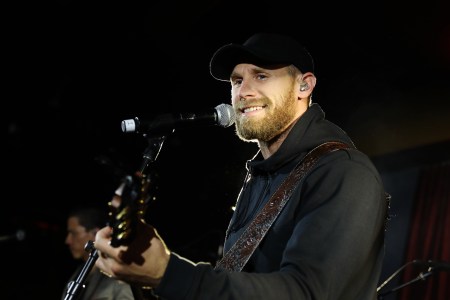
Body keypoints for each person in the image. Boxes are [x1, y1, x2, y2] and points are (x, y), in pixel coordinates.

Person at [93, 32, 390, 299]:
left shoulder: (344, 172)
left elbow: (307, 292)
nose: (243, 92)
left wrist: (170, 274)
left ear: (304, 85)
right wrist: (143, 272)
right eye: (237, 80)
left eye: (260, 76)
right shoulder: (259, 177)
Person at [61, 205, 135, 300]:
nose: (68, 240)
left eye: (74, 233)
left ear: (95, 233)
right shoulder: (77, 273)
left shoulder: (117, 275)